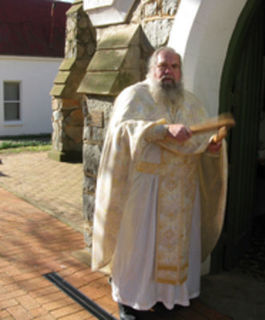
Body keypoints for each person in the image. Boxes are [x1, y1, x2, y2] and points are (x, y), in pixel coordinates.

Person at [91, 47, 228, 320]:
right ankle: (130, 300)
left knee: (178, 244)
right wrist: (162, 130)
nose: (169, 71)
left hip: (183, 190)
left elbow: (203, 139)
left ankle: (171, 297)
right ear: (152, 68)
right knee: (139, 247)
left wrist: (211, 149)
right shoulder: (134, 95)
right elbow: (120, 132)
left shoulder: (191, 102)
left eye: (175, 67)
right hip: (146, 189)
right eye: (163, 65)